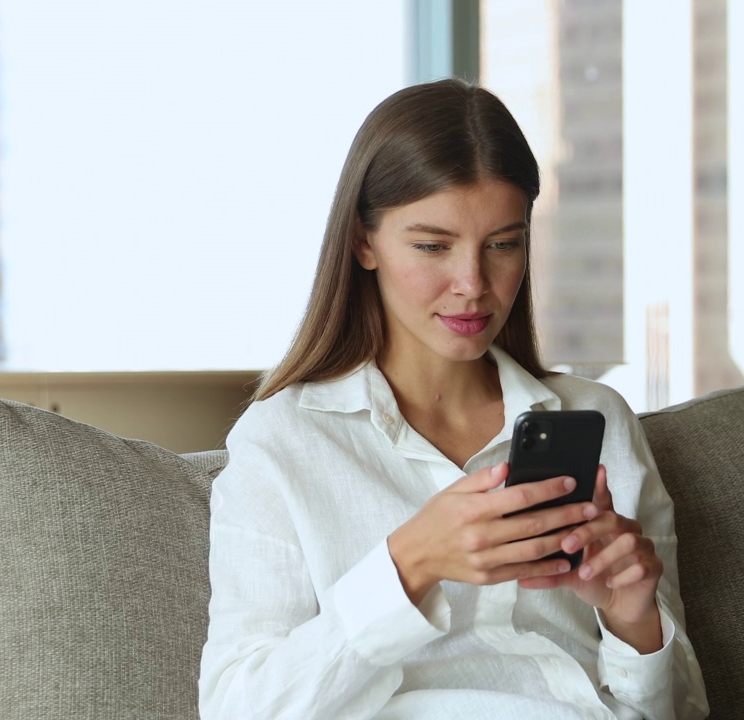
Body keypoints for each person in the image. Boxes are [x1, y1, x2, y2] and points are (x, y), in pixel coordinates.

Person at [196, 78, 709, 719]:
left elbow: (682, 713)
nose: (473, 284)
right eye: (433, 246)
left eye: (503, 244)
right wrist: (410, 562)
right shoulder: (282, 443)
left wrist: (634, 621)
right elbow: (239, 711)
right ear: (363, 242)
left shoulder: (597, 420)